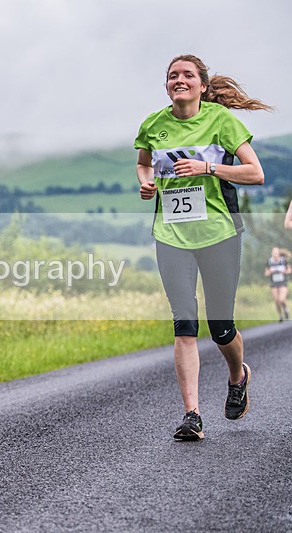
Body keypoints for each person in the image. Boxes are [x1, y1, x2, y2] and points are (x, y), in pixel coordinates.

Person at [134, 54, 272, 441]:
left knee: (221, 327)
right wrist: (146, 184)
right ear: (167, 86)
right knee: (184, 323)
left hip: (219, 233)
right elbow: (144, 164)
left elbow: (256, 174)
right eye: (173, 75)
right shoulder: (153, 125)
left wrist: (208, 168)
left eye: (188, 75)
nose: (180, 80)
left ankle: (237, 375)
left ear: (202, 86)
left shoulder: (222, 121)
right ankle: (192, 415)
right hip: (171, 233)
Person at [265, 247, 291, 321]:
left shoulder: (283, 261)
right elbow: (266, 273)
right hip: (274, 284)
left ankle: (286, 309)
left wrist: (283, 271)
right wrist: (270, 271)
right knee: (276, 300)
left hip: (283, 282)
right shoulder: (269, 261)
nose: (275, 254)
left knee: (281, 299)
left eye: (276, 253)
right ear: (272, 254)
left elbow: (289, 270)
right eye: (273, 253)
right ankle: (280, 316)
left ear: (279, 253)